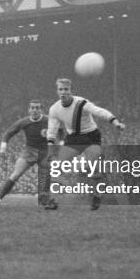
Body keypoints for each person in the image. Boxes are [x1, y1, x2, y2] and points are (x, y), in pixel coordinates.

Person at [46, 78, 125, 210]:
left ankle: (96, 196)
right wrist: (50, 149)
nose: (63, 92)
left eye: (66, 89)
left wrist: (115, 122)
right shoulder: (54, 109)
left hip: (90, 137)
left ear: (71, 90)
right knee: (57, 167)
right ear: (57, 91)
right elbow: (52, 131)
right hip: (73, 139)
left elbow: (99, 111)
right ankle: (53, 200)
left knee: (94, 169)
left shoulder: (81, 103)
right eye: (61, 89)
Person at [0, 100, 57, 209]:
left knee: (45, 177)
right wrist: (3, 146)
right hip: (29, 151)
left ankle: (46, 201)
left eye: (37, 108)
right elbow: (9, 132)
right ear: (29, 110)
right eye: (32, 108)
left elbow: (61, 130)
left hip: (45, 152)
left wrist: (61, 143)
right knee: (16, 174)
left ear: (41, 110)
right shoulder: (24, 122)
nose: (35, 110)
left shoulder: (48, 120)